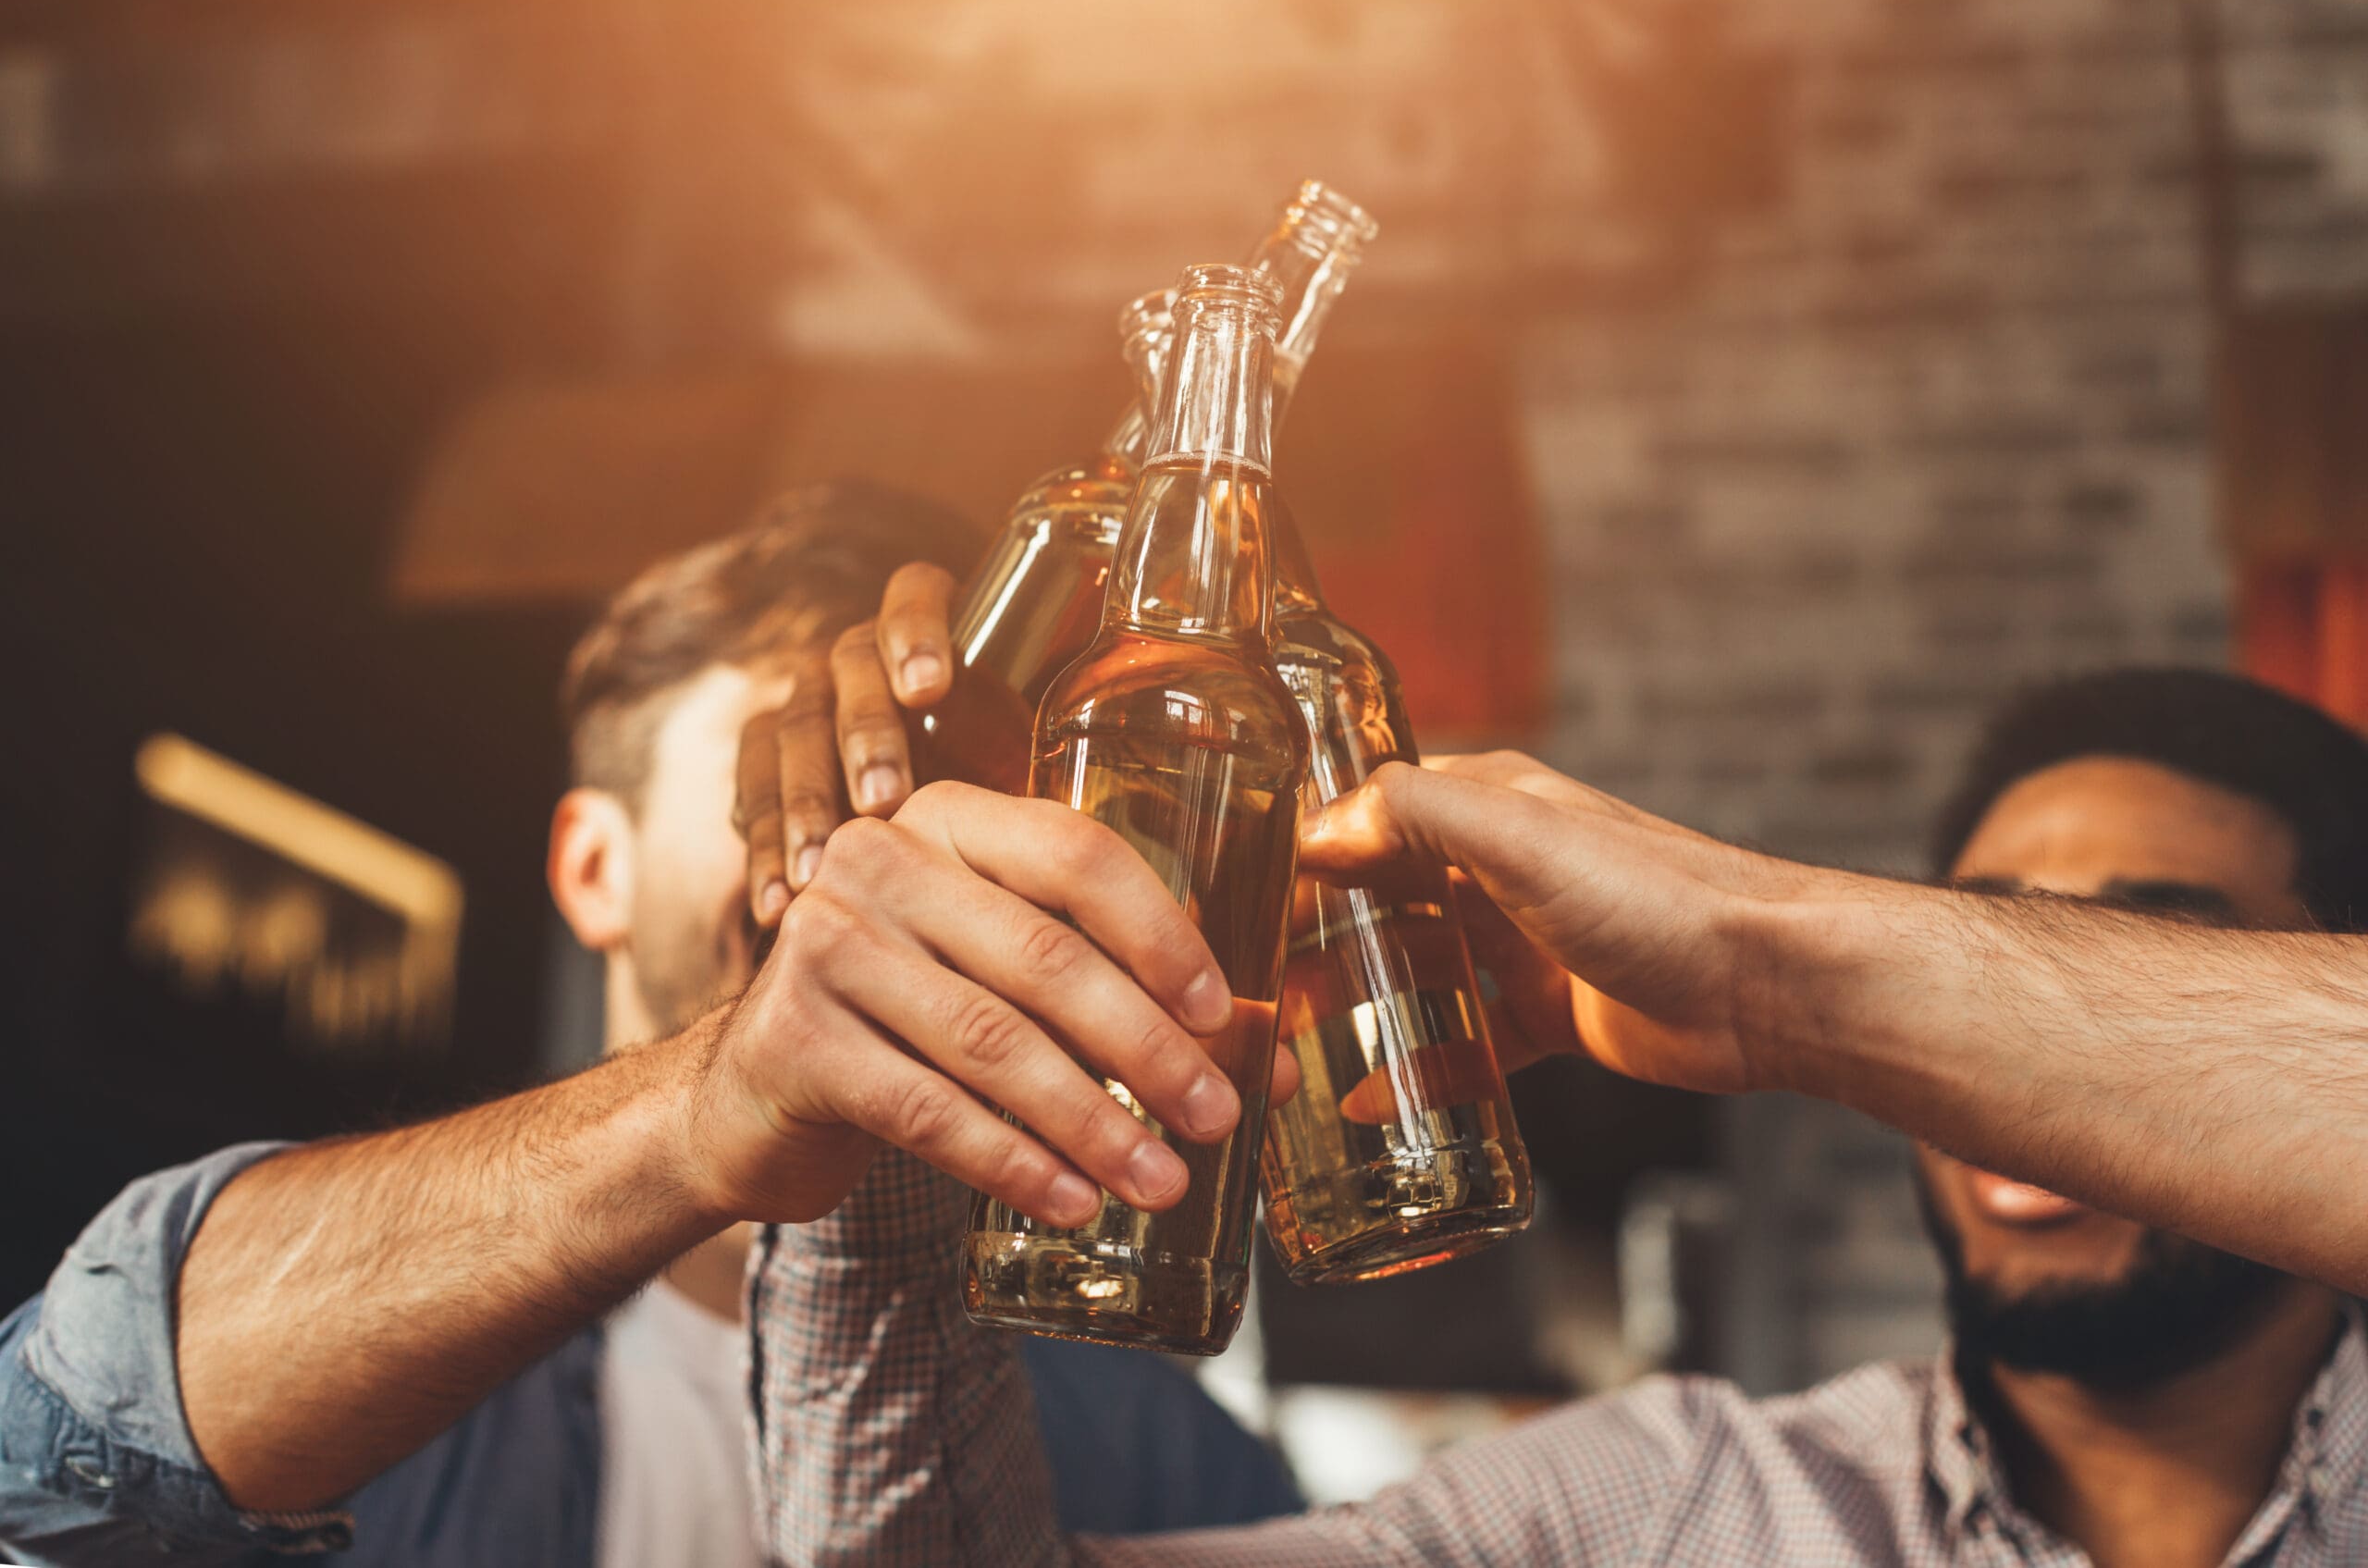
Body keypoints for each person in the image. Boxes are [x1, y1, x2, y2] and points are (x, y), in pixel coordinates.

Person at [746, 666, 2368, 1565]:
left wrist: (1782, 985)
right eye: (1995, 969)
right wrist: (893, 1116)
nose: (2015, 1100)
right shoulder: (1681, 1509)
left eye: (2124, 973)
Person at [0, 485, 1299, 1568]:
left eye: (913, 792)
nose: (876, 860)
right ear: (593, 869)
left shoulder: (1156, 1447)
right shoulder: (394, 1369)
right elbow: (39, 1466)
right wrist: (709, 1106)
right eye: (787, 779)